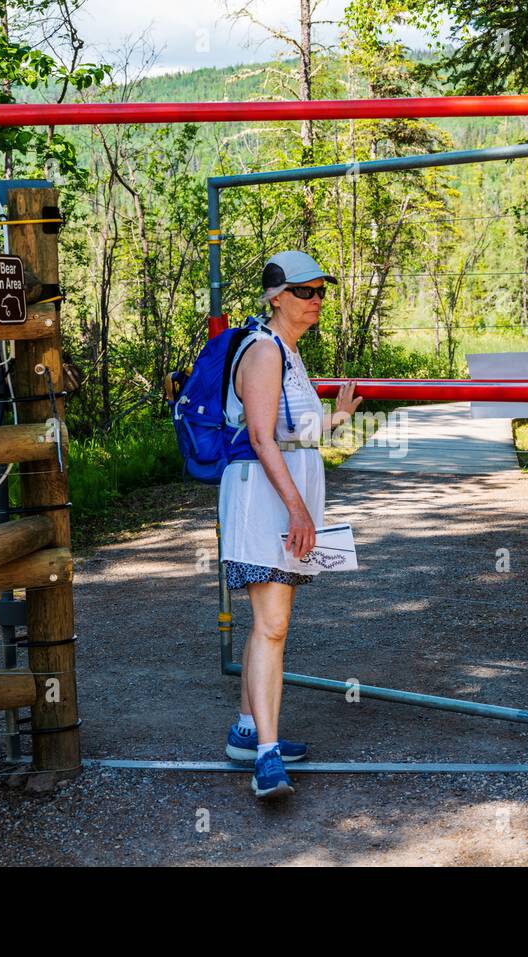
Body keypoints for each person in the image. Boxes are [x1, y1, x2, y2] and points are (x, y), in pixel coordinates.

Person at [218, 250, 362, 800]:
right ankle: (266, 757)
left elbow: (293, 429)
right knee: (272, 625)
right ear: (276, 297)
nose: (316, 298)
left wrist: (338, 419)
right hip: (265, 504)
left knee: (270, 623)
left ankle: (249, 729)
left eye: (321, 289)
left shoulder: (288, 352)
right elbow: (258, 437)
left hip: (283, 502)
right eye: (305, 291)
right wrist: (298, 509)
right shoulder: (261, 351)